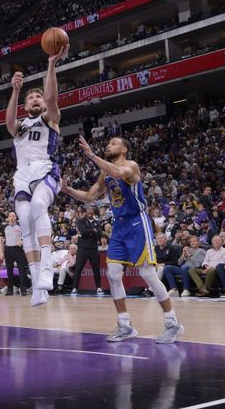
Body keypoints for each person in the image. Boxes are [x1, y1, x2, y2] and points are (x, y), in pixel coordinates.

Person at [61, 136, 183, 344]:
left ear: (124, 150)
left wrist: (91, 155)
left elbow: (117, 173)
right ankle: (125, 324)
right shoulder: (105, 175)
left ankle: (172, 323)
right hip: (119, 226)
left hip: (137, 222)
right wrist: (67, 190)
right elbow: (90, 197)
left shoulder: (130, 166)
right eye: (108, 143)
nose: (109, 145)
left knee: (147, 273)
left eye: (114, 143)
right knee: (113, 274)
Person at [5, 45, 68, 307]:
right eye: (30, 98)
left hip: (45, 168)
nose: (35, 100)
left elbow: (52, 99)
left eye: (37, 98)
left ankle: (45, 269)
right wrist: (15, 91)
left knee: (40, 206)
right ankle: (37, 285)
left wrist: (51, 65)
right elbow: (9, 124)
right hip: (22, 175)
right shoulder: (21, 126)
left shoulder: (50, 118)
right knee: (25, 223)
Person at [74, 206, 102, 295]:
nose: (90, 212)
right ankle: (75, 288)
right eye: (89, 210)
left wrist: (90, 232)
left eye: (92, 211)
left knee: (96, 269)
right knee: (78, 268)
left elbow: (99, 234)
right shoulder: (80, 221)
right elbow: (82, 231)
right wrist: (92, 231)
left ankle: (98, 287)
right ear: (85, 212)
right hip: (82, 248)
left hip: (93, 248)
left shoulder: (97, 222)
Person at [0, 212, 28, 296]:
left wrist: (22, 241)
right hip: (8, 250)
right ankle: (10, 290)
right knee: (9, 271)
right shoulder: (4, 227)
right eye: (10, 216)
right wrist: (1, 252)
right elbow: (1, 241)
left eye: (13, 216)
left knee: (22, 270)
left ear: (16, 217)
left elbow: (27, 237)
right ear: (8, 218)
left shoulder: (21, 226)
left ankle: (23, 290)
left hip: (18, 249)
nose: (12, 217)